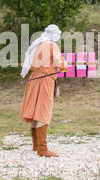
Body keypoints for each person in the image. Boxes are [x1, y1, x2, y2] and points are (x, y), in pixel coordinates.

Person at [19, 24, 68, 157]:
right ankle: (42, 149)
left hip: (34, 79)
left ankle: (36, 146)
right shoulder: (52, 46)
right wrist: (65, 66)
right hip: (44, 81)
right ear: (54, 34)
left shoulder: (38, 44)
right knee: (43, 111)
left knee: (36, 111)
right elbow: (60, 64)